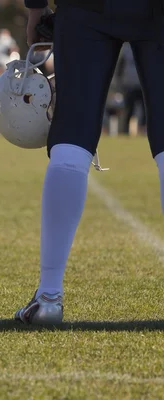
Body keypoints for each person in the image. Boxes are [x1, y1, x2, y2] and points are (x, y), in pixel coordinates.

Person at [16, 0, 164, 324]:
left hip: (87, 9)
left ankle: (49, 297)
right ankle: (48, 294)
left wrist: (36, 9)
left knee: (72, 135)